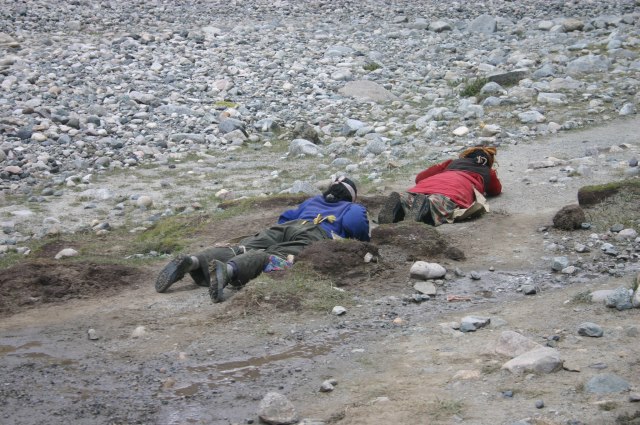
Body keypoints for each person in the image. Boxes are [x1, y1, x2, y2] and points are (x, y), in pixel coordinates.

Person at [155, 176, 370, 302]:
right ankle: (228, 271)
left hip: (288, 226)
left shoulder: (312, 201)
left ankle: (194, 261)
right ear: (351, 197)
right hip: (317, 232)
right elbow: (355, 224)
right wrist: (362, 238)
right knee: (276, 256)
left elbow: (285, 217)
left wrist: (285, 232)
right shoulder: (352, 207)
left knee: (242, 248)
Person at [378, 146, 502, 226]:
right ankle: (426, 205)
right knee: (436, 203)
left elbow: (419, 178)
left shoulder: (452, 163)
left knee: (411, 198)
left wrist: (444, 166)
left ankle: (400, 200)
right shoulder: (486, 172)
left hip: (427, 184)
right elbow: (496, 190)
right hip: (453, 190)